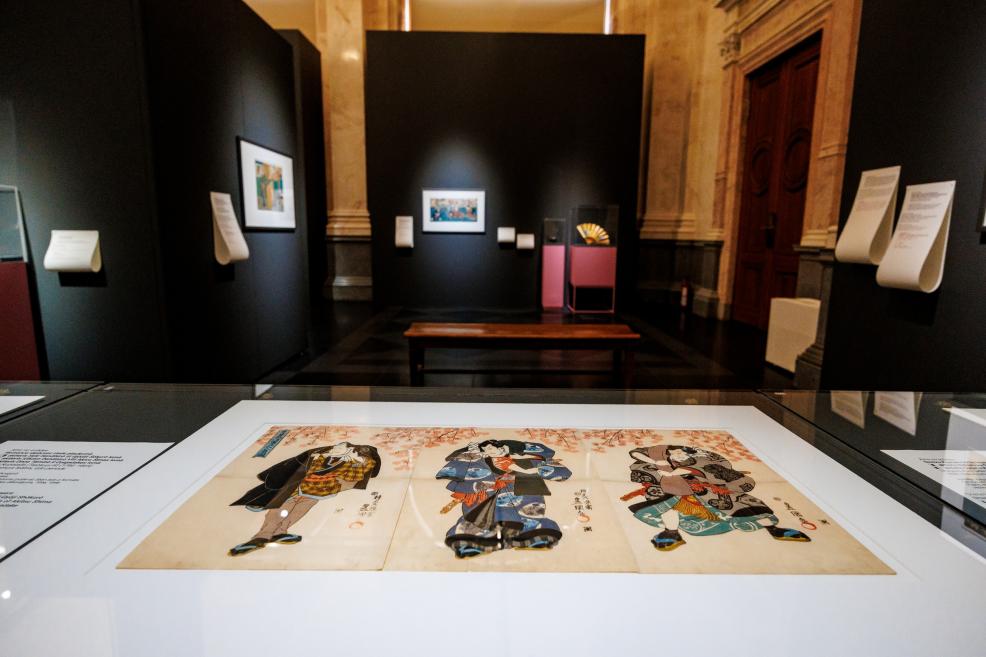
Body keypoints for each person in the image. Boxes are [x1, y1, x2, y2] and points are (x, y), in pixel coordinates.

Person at [621, 444, 810, 551]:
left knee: (740, 506)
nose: (677, 454)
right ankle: (671, 532)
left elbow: (717, 468)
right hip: (673, 490)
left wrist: (685, 470)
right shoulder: (662, 458)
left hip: (707, 490)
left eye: (680, 453)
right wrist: (660, 462)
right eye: (673, 453)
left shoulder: (702, 460)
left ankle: (774, 529)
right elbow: (638, 453)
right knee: (668, 505)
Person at [227, 441, 380, 556]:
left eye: (363, 454)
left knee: (298, 510)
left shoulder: (356, 464)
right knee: (281, 508)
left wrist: (350, 475)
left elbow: (356, 476)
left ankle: (280, 531)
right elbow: (308, 465)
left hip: (320, 491)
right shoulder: (322, 456)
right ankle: (263, 535)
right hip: (302, 486)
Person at [437, 439, 572, 558]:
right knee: (479, 518)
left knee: (528, 516)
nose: (489, 451)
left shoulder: (520, 460)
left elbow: (559, 471)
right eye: (485, 449)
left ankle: (530, 534)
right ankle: (475, 540)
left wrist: (532, 467)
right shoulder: (478, 463)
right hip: (488, 493)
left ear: (501, 447)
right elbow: (458, 468)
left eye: (491, 448)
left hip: (519, 493)